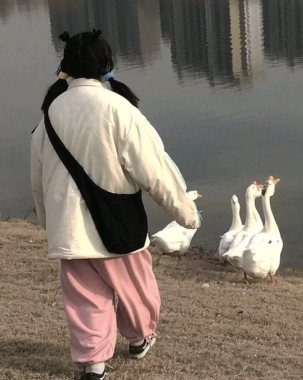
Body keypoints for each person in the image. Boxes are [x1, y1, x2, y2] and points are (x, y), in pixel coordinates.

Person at [31, 29, 201, 380]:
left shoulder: (48, 116)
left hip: (69, 231)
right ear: (107, 65)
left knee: (85, 300)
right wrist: (186, 214)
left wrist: (49, 225)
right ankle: (140, 338)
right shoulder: (119, 110)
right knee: (137, 288)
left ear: (66, 69)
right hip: (118, 225)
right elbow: (155, 170)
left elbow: (39, 180)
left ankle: (94, 365)